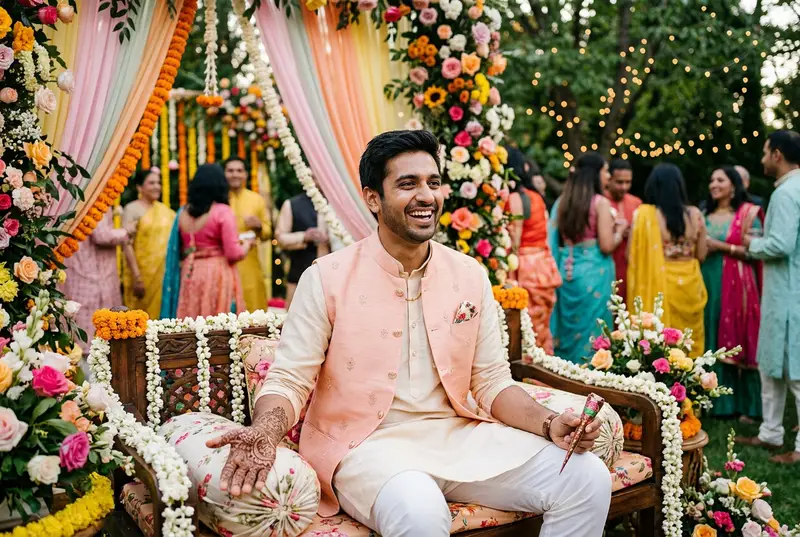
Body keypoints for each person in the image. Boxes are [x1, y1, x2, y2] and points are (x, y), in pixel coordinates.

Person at [206, 130, 611, 537]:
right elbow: (290, 379)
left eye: (433, 182)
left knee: (586, 477)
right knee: (419, 509)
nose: (426, 196)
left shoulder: (468, 274)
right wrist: (265, 431)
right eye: (407, 184)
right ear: (372, 198)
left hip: (459, 437)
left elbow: (491, 382)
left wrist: (549, 423)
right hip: (366, 447)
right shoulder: (326, 278)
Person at [737, 130, 800, 464]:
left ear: (777, 154)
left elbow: (781, 244)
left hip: (790, 294)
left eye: (765, 152)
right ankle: (771, 433)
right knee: (771, 364)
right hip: (782, 292)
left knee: (795, 370)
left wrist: (753, 243)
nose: (762, 159)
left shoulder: (787, 192)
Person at [701, 166, 763, 421]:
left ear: (734, 186)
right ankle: (713, 403)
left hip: (738, 284)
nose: (713, 184)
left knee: (737, 337)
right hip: (707, 280)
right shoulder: (703, 215)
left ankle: (746, 405)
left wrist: (722, 246)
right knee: (711, 333)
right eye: (711, 180)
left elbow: (757, 251)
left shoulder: (748, 214)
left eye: (720, 180)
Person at [627, 164, 708, 357]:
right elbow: (701, 255)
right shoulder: (696, 215)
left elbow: (630, 254)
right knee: (688, 342)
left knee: (662, 341)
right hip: (690, 285)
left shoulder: (646, 216)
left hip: (660, 285)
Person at [548, 153, 619, 364]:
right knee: (593, 333)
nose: (608, 176)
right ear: (595, 174)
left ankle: (564, 374)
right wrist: (619, 233)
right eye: (605, 171)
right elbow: (606, 246)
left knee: (569, 333)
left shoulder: (563, 202)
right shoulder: (600, 203)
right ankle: (591, 375)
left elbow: (553, 239)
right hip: (593, 273)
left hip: (567, 271)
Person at [160, 164, 254, 319]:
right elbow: (233, 254)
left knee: (191, 322)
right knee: (216, 324)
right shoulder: (222, 211)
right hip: (216, 273)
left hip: (189, 273)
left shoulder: (182, 213)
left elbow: (179, 250)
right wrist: (247, 244)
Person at [506, 147, 562, 354]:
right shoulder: (536, 197)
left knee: (526, 329)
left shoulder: (515, 198)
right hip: (543, 267)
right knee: (541, 329)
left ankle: (530, 369)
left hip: (525, 269)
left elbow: (515, 241)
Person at [62, 212, 135, 352]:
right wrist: (126, 231)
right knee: (95, 330)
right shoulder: (94, 200)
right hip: (91, 275)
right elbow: (102, 235)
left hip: (78, 269)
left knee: (81, 321)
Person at [121, 168, 176, 319]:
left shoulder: (166, 211)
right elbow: (127, 244)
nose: (156, 186)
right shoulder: (132, 209)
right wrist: (137, 277)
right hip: (140, 274)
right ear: (139, 187)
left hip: (163, 276)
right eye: (151, 183)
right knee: (139, 320)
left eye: (158, 183)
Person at [224, 157, 271, 312]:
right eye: (230, 171)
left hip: (250, 264)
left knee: (253, 311)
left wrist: (259, 226)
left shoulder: (256, 200)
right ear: (224, 174)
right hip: (225, 264)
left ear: (245, 174)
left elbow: (268, 232)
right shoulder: (219, 200)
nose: (235, 174)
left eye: (239, 171)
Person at [275, 191, 330, 309]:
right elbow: (280, 237)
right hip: (299, 276)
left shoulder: (337, 202)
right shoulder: (292, 204)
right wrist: (303, 237)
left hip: (332, 279)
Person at [605, 159, 642, 301]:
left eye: (628, 182)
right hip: (607, 265)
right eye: (619, 182)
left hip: (630, 267)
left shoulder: (636, 203)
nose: (624, 187)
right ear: (609, 180)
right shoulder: (600, 202)